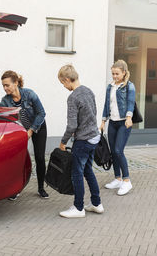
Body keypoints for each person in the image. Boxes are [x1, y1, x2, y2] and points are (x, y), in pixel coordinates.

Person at [57, 64, 104, 218]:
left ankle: (78, 208)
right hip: (94, 137)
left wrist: (63, 142)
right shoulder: (88, 91)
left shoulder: (73, 97)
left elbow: (72, 125)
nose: (63, 86)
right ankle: (97, 204)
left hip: (83, 140)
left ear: (67, 79)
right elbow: (94, 113)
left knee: (76, 173)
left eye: (62, 83)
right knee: (88, 170)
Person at [0, 70, 49, 199]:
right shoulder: (5, 101)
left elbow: (41, 113)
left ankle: (41, 188)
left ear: (15, 83)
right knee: (19, 160)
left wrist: (31, 130)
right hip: (22, 131)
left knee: (39, 157)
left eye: (7, 85)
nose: (5, 88)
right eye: (3, 85)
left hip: (38, 127)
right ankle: (16, 189)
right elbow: (0, 117)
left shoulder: (29, 94)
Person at [100, 59, 135, 196]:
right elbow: (106, 104)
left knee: (118, 150)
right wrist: (103, 121)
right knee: (113, 152)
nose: (114, 76)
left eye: (117, 74)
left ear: (124, 73)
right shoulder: (111, 86)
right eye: (113, 74)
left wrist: (129, 117)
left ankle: (127, 181)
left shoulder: (129, 86)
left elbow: (131, 102)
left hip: (124, 123)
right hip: (113, 122)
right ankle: (117, 178)